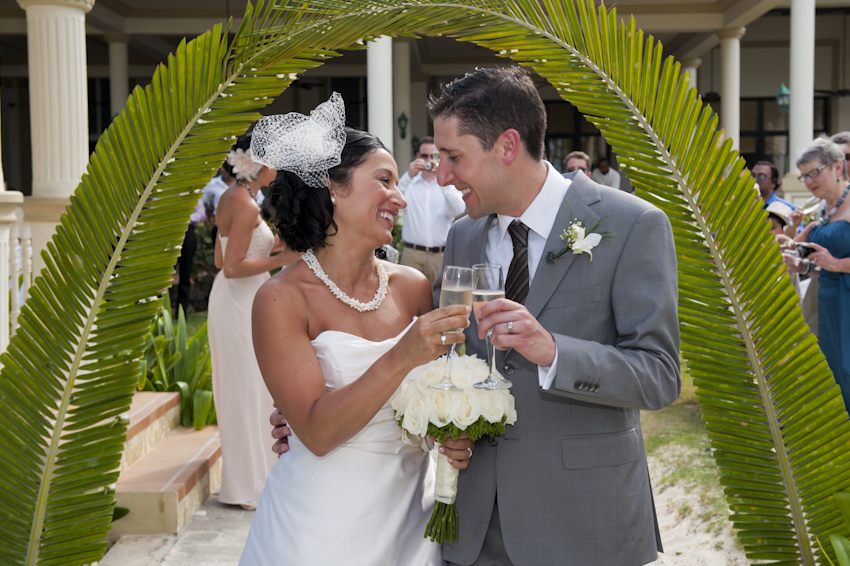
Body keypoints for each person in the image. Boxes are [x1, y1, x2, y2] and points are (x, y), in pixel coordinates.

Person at [269, 68, 680, 566]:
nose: (441, 175)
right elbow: (435, 357)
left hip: (583, 519)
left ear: (507, 145)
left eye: (454, 157)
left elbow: (660, 376)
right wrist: (310, 409)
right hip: (473, 523)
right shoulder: (464, 235)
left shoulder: (631, 224)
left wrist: (554, 352)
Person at [239, 93, 473, 565]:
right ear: (333, 186)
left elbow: (430, 402)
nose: (400, 197)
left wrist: (453, 433)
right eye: (384, 180)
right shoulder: (281, 299)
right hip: (317, 529)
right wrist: (403, 354)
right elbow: (317, 433)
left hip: (409, 523)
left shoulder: (411, 287)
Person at [207, 132, 297, 510]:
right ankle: (249, 487)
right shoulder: (244, 205)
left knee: (246, 390)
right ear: (258, 163)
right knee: (245, 390)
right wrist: (282, 259)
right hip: (239, 301)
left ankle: (249, 479)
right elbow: (231, 267)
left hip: (232, 299)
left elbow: (220, 259)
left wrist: (268, 247)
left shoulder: (233, 197)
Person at [781, 137, 850, 413]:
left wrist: (837, 263)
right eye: (804, 176)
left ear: (837, 167)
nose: (809, 182)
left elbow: (833, 261)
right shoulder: (821, 209)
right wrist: (803, 266)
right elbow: (818, 259)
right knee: (828, 377)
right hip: (825, 304)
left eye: (814, 173)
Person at [398, 136, 466, 284]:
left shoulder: (448, 185)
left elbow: (458, 209)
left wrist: (442, 180)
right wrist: (408, 175)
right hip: (412, 255)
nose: (428, 160)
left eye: (433, 156)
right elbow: (394, 203)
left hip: (440, 256)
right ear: (417, 157)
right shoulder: (409, 184)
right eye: (424, 156)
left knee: (440, 297)